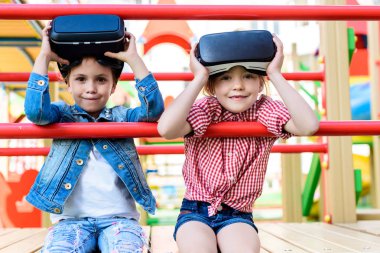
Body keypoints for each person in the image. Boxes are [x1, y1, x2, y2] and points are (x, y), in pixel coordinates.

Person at [157, 33, 319, 253]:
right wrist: (198, 78)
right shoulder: (208, 109)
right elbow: (166, 129)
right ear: (211, 85)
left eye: (249, 76)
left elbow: (308, 125)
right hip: (195, 210)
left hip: (237, 214)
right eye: (226, 78)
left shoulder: (264, 109)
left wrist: (275, 74)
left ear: (261, 82)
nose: (238, 86)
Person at [24, 22, 164, 253]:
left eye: (101, 79)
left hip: (119, 221)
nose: (91, 88)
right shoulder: (62, 115)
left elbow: (153, 111)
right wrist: (44, 56)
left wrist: (134, 60)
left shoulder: (122, 116)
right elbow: (36, 112)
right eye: (81, 79)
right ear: (67, 83)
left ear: (113, 85)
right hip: (71, 221)